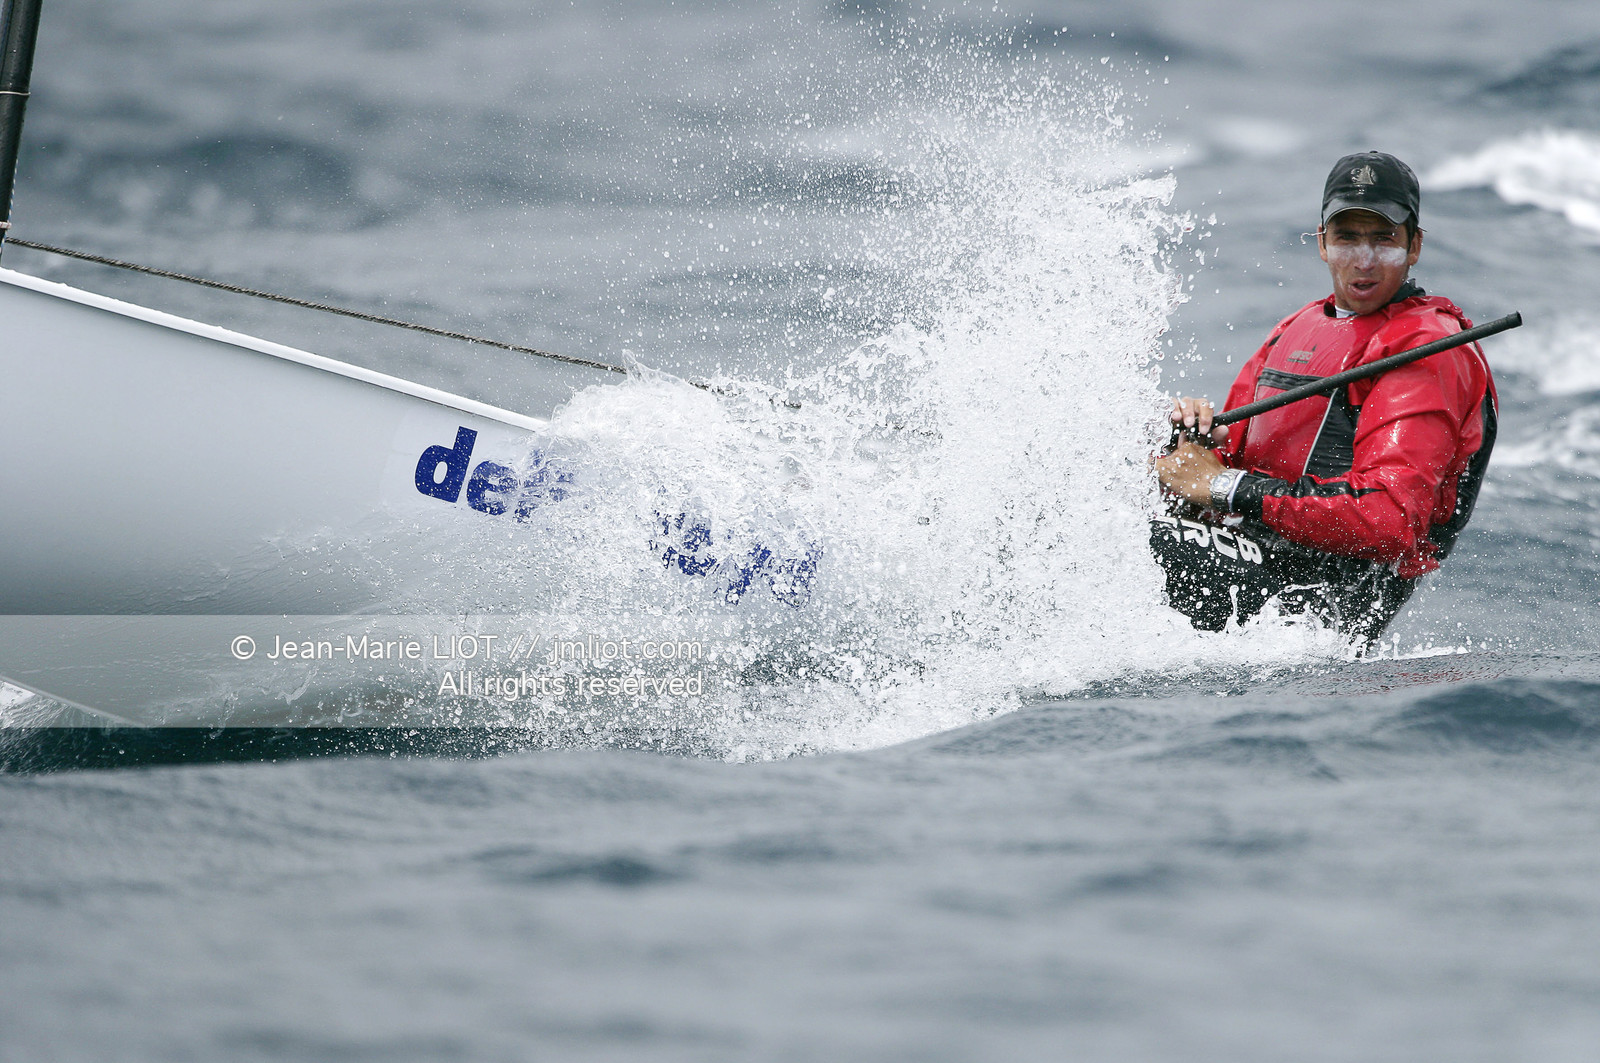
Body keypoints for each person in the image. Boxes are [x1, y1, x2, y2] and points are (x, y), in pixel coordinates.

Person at [1151, 151, 1499, 645]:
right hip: (1252, 552)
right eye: (1347, 238)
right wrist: (1189, 452)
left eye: (1384, 239)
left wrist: (1225, 486)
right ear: (1322, 243)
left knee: (1125, 543)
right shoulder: (1298, 328)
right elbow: (1216, 469)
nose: (1364, 260)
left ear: (1415, 245)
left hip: (1323, 599)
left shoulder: (1429, 350)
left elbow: (1388, 521)